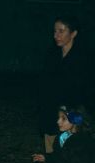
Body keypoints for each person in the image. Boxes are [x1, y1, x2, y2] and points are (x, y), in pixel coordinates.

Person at [39, 15, 93, 153]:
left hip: (74, 113)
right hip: (51, 114)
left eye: (61, 31)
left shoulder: (84, 59)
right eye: (55, 31)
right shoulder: (51, 55)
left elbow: (85, 91)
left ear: (73, 33)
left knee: (72, 152)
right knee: (51, 153)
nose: (56, 35)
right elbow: (45, 86)